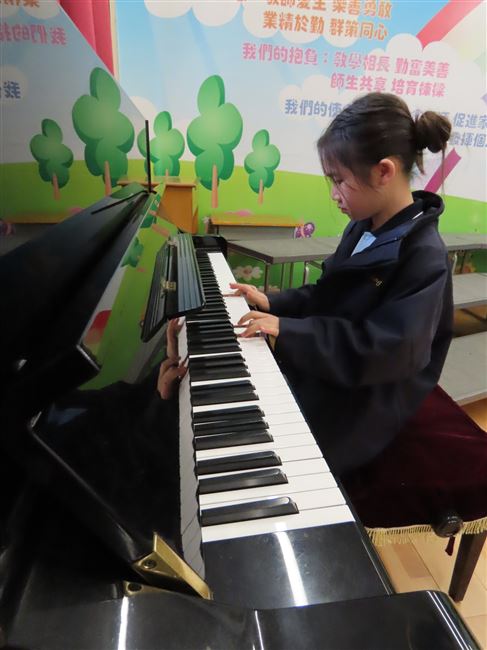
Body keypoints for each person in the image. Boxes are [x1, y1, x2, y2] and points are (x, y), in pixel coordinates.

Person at [228, 92, 453, 477]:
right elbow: (327, 293)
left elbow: (390, 349)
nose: (333, 195)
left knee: (256, 448)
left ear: (383, 172)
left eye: (339, 180)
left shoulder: (424, 256)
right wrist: (273, 303)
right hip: (332, 365)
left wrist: (290, 332)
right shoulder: (362, 227)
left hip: (364, 398)